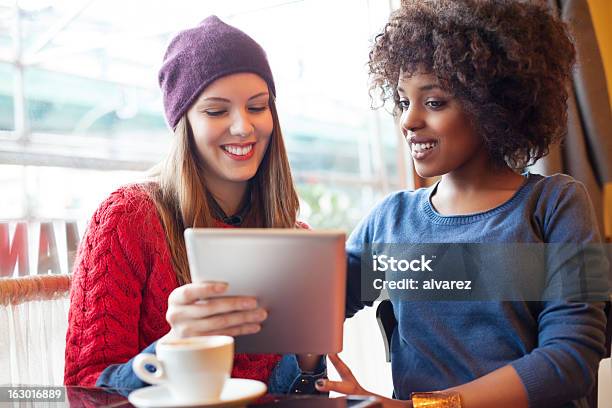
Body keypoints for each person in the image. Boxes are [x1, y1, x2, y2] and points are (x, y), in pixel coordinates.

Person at [314, 1, 608, 407]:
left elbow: (570, 360)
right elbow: (311, 312)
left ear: (492, 104)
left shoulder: (555, 205)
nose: (408, 120)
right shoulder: (391, 222)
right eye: (403, 102)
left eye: (433, 102)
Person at [64, 15, 324, 394]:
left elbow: (301, 396)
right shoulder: (127, 219)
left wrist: (309, 357)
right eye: (217, 111)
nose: (243, 127)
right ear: (183, 122)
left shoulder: (294, 238)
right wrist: (174, 345)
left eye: (257, 106)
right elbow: (82, 389)